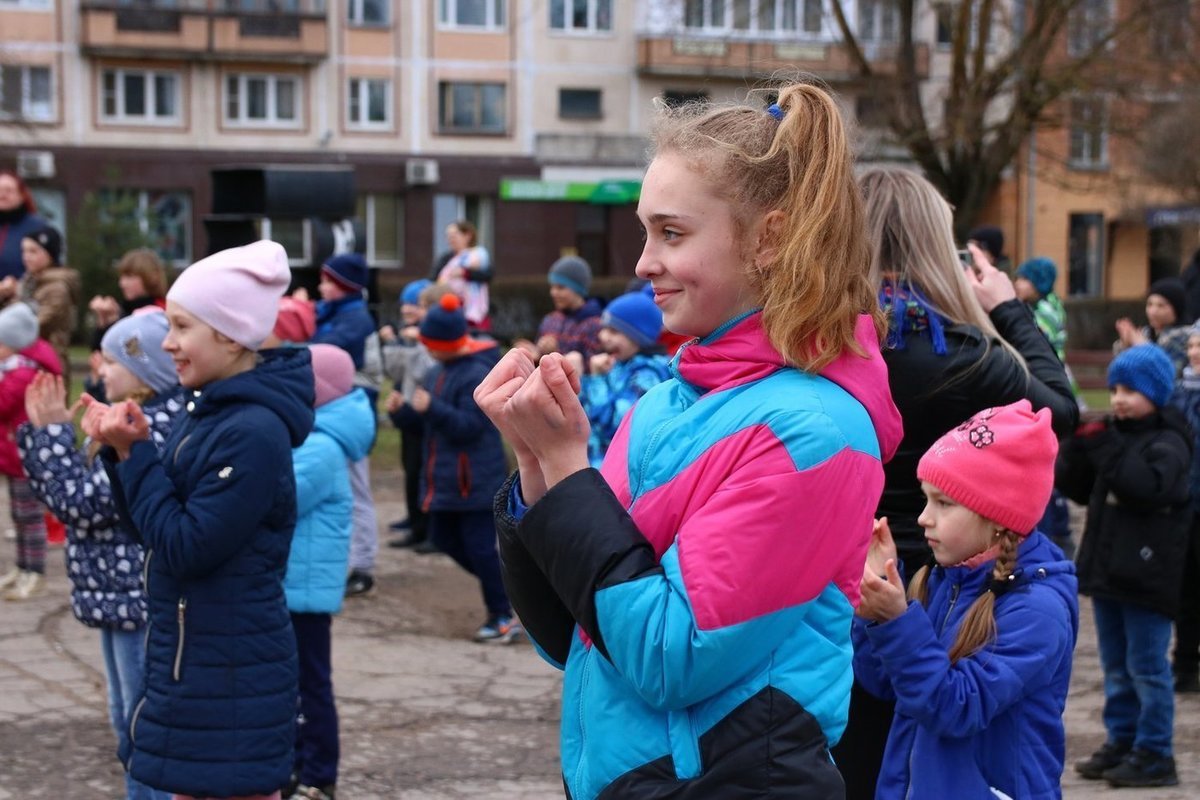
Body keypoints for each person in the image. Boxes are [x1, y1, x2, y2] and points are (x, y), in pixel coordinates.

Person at [476, 85, 904, 798]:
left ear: (768, 239)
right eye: (647, 232)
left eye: (671, 234)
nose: (643, 263)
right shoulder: (667, 404)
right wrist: (535, 469)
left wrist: (567, 467)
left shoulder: (814, 432)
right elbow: (574, 634)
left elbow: (669, 657)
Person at [833, 168, 1078, 798]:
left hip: (860, 573)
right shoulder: (966, 351)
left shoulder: (823, 345)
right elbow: (1060, 412)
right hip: (942, 579)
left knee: (867, 756)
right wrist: (1008, 308)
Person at [83, 239, 314, 800]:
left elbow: (188, 546)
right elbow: (155, 534)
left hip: (230, 676)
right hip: (201, 664)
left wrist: (137, 457)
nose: (167, 344)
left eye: (182, 327)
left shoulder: (250, 431)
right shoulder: (210, 414)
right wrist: (123, 453)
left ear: (230, 334)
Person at [853, 400, 1077, 799]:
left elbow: (955, 708)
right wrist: (874, 609)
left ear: (996, 515)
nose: (923, 517)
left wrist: (896, 621)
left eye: (944, 503)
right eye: (926, 499)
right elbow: (887, 684)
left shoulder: (1038, 610)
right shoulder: (943, 580)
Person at [18, 312, 183, 800]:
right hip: (116, 592)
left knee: (139, 723)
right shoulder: (125, 416)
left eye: (113, 359)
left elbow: (82, 504)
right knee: (124, 714)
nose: (101, 368)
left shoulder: (150, 425)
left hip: (134, 593)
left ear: (148, 369)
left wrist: (50, 432)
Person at [1058, 344, 1191, 788]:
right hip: (1109, 573)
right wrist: (1077, 454)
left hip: (1148, 579)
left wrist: (1108, 448)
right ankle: (1123, 740)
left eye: (1129, 390)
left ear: (1155, 392)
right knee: (1116, 666)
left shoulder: (1170, 441)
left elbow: (1144, 488)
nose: (1117, 398)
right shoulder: (1120, 435)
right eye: (1114, 388)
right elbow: (1082, 491)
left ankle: (1156, 752)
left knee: (1148, 668)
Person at [388, 293, 519, 643]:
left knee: (478, 547)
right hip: (446, 481)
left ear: (447, 343)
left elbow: (470, 427)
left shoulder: (475, 373)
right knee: (442, 538)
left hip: (474, 479)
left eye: (432, 344)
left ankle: (503, 614)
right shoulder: (437, 372)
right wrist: (402, 412)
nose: (427, 350)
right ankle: (509, 591)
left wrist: (431, 408)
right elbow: (428, 426)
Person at [284, 345, 375, 800]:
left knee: (309, 686)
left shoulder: (320, 446)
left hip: (302, 590)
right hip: (295, 585)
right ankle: (298, 766)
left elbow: (281, 498)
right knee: (296, 685)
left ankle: (319, 775)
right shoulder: (314, 436)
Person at [310, 252, 381, 598]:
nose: (320, 286)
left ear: (344, 286)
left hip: (351, 414)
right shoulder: (334, 313)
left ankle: (363, 565)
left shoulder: (354, 319)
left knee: (355, 491)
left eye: (327, 280)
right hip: (334, 412)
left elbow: (321, 353)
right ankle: (349, 561)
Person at [1014, 256, 1076, 557]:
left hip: (1046, 390)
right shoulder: (1035, 308)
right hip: (1039, 390)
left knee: (1044, 466)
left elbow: (1034, 345)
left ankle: (1054, 531)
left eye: (1024, 279)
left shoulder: (1046, 311)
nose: (1017, 284)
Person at [0, 302, 61, 600]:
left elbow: (3, 404)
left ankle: (35, 572)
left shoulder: (23, 374)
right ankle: (22, 567)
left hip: (25, 457)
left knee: (30, 517)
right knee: (18, 515)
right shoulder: (12, 369)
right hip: (14, 455)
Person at [572, 291, 669, 467]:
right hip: (596, 468)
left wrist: (597, 379)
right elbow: (585, 414)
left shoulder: (648, 375)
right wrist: (576, 380)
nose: (603, 336)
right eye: (604, 329)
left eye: (614, 331)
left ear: (639, 337)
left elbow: (618, 426)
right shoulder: (618, 364)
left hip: (616, 476)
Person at [380, 278, 436, 550]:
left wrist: (415, 345)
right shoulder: (410, 334)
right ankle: (415, 521)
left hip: (425, 411)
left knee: (424, 470)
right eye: (406, 305)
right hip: (407, 409)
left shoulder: (431, 336)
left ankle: (427, 529)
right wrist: (393, 344)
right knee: (411, 468)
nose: (409, 311)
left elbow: (424, 371)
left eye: (415, 305)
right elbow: (397, 372)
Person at [86, 248, 171, 402]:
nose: (122, 283)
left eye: (130, 277)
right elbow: (101, 354)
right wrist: (104, 324)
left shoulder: (160, 316)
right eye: (122, 277)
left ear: (151, 278)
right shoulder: (125, 311)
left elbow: (139, 359)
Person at [6, 224, 81, 386]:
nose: (26, 256)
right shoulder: (28, 283)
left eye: (33, 251)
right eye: (24, 251)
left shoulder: (57, 288)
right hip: (24, 363)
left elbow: (34, 325)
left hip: (48, 365)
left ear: (50, 254)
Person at [1170, 325, 1200, 694]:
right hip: (1184, 506)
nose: (1194, 352)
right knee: (1186, 588)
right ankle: (1185, 662)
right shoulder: (1177, 394)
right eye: (1192, 344)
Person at [519, 255, 604, 362]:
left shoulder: (595, 324)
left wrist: (556, 353)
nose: (553, 293)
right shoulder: (550, 320)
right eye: (552, 287)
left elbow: (593, 368)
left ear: (578, 290)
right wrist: (535, 354)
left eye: (561, 288)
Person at [1115, 277, 1191, 379]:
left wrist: (1144, 347)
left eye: (1161, 306)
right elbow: (1124, 372)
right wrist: (1126, 346)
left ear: (1176, 309)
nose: (1153, 311)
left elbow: (1167, 376)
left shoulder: (1185, 336)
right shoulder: (1145, 333)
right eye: (1150, 304)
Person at [437, 219, 491, 329]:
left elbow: (487, 274)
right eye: (448, 236)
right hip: (451, 304)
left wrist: (465, 272)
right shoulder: (446, 258)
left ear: (467, 236)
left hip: (470, 305)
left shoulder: (478, 253)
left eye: (454, 235)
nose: (450, 239)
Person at [0, 170, 47, 281]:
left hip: (22, 295)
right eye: (0, 190)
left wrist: (18, 286)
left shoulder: (37, 227)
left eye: (9, 190)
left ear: (22, 196)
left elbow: (48, 269)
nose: (3, 195)